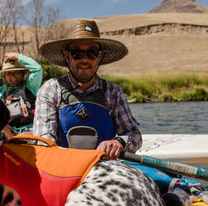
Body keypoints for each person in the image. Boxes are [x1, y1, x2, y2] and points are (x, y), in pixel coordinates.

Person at [33, 19, 141, 159]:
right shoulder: (50, 90)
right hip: (63, 167)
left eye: (92, 54)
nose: (84, 60)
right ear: (67, 56)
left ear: (99, 56)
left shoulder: (114, 92)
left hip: (106, 167)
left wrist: (119, 141)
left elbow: (134, 134)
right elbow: (44, 141)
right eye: (77, 53)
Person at [0, 52, 43, 133]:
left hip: (31, 129)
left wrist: (18, 56)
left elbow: (38, 69)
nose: (13, 76)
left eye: (16, 72)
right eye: (9, 73)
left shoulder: (30, 86)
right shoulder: (1, 91)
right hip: (9, 132)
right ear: (4, 75)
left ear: (22, 74)